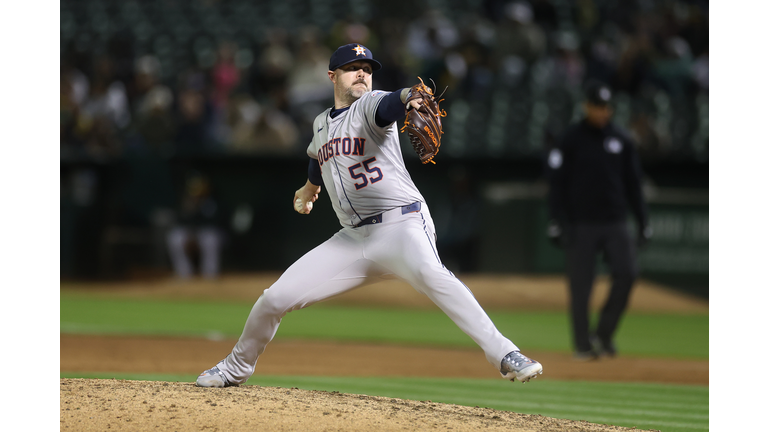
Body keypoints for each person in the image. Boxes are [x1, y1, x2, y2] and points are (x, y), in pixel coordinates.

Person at [196, 43, 543, 387]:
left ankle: (505, 354)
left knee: (432, 275)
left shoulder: (370, 105)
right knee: (274, 299)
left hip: (400, 224)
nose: (362, 72)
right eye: (352, 67)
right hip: (352, 239)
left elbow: (395, 99)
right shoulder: (320, 124)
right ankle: (235, 368)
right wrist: (309, 188)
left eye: (367, 68)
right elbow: (319, 157)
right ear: (332, 76)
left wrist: (411, 96)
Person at [545, 80, 652, 361]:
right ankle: (583, 345)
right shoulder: (571, 139)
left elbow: (634, 185)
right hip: (582, 222)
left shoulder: (622, 139)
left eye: (606, 107)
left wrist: (643, 220)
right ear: (586, 106)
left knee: (627, 273)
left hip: (615, 221)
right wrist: (555, 219)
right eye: (597, 106)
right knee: (581, 286)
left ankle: (603, 334)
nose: (602, 112)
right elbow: (556, 184)